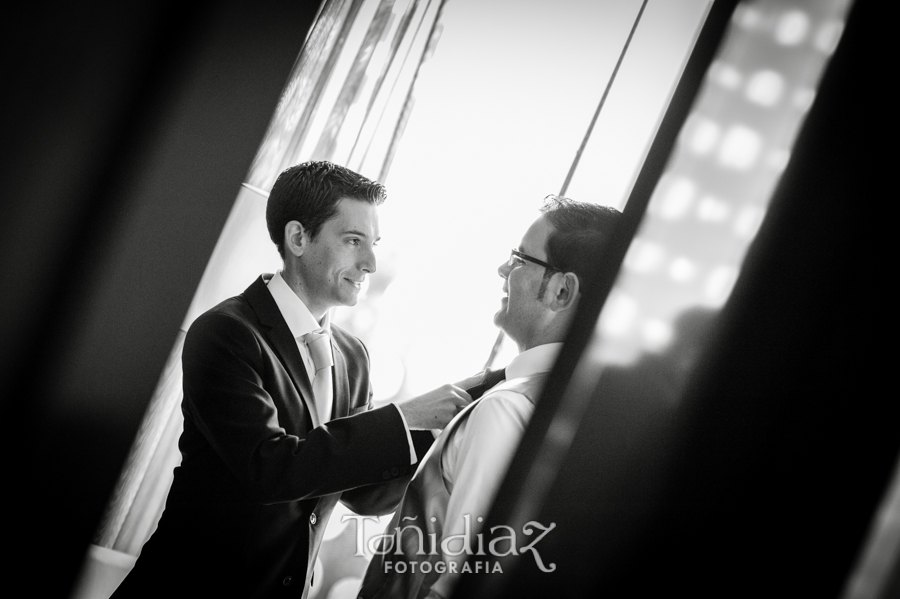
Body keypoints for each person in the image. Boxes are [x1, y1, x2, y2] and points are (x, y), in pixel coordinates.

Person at [112, 161, 481, 599]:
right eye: (353, 241)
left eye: (374, 244)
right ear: (298, 238)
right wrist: (402, 418)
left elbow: (363, 496)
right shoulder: (226, 333)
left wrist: (436, 433)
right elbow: (270, 469)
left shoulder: (353, 356)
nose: (370, 262)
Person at [357, 195, 622, 599]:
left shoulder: (507, 407)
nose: (503, 270)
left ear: (562, 291)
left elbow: (457, 579)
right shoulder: (588, 413)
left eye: (519, 259)